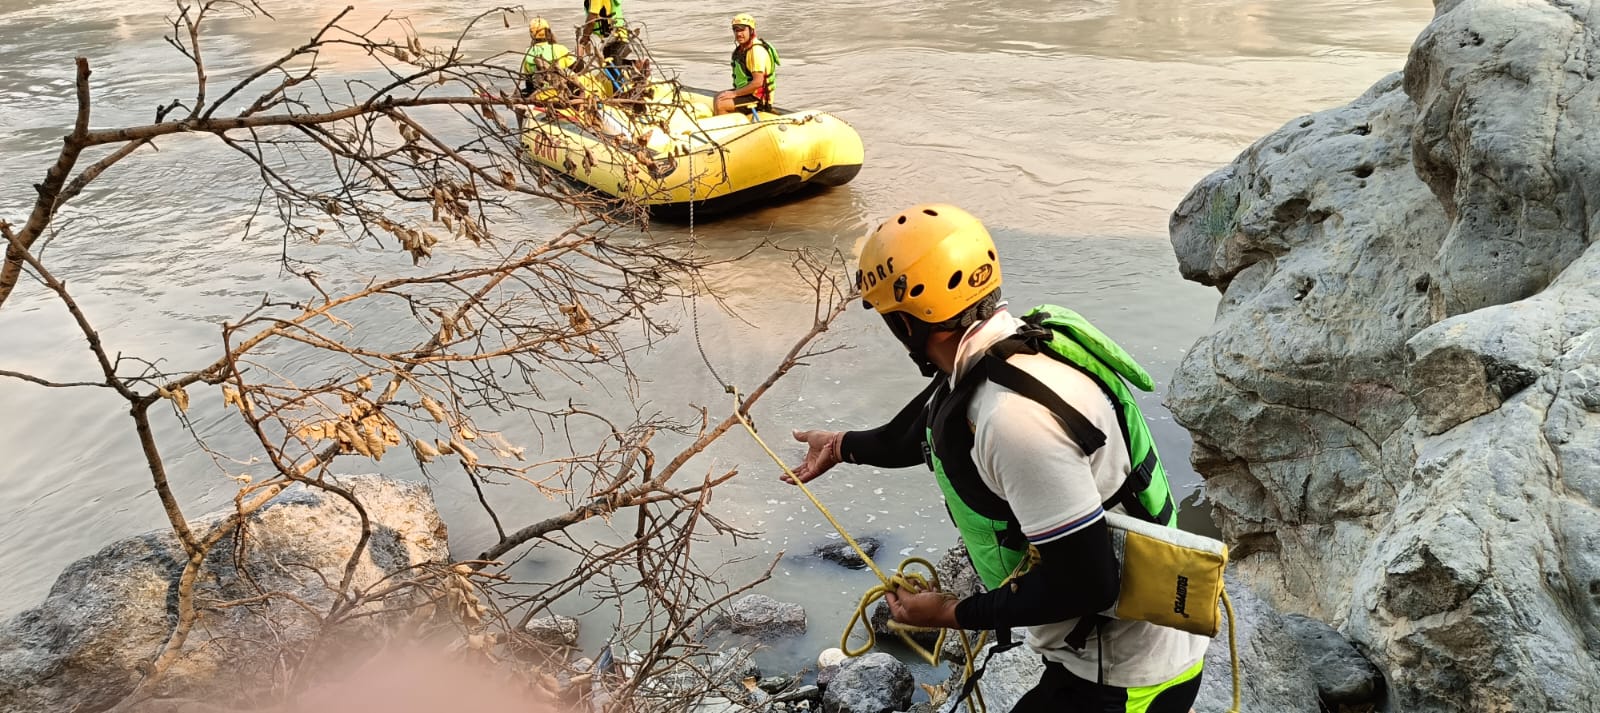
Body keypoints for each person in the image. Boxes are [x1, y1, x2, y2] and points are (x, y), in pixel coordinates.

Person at [788, 204, 1209, 712]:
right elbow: (927, 427)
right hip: (1101, 655)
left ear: (907, 324)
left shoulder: (1015, 423)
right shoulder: (1009, 349)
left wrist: (949, 613)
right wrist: (841, 446)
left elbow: (1087, 583)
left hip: (1125, 678)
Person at [714, 13, 779, 115]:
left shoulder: (756, 51)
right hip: (748, 93)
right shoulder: (742, 49)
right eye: (736, 30)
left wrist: (734, 93)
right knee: (718, 96)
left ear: (751, 30)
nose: (739, 34)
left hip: (758, 98)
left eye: (742, 30)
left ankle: (729, 129)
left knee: (721, 104)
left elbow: (758, 82)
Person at [521, 17, 577, 97]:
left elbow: (528, 82)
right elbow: (579, 68)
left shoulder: (528, 52)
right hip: (561, 93)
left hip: (539, 95)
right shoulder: (560, 49)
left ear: (531, 34)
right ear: (548, 32)